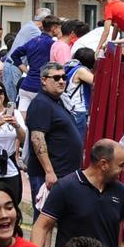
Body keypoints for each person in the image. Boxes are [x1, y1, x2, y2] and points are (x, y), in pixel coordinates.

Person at [25, 62, 84, 203]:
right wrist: (49, 172)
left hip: (64, 174)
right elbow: (37, 138)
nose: (62, 81)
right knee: (44, 220)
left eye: (64, 77)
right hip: (49, 176)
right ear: (44, 80)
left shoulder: (58, 101)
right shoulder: (41, 103)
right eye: (56, 78)